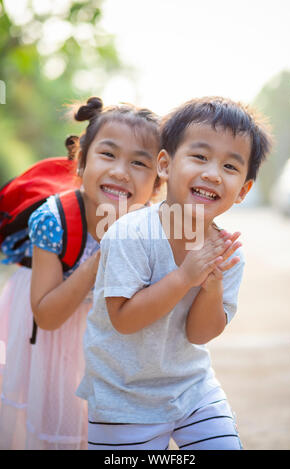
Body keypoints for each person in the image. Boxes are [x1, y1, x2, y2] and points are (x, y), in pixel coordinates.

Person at [77, 96, 272, 450]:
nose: (213, 173)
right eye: (200, 157)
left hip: (192, 389)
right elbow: (123, 319)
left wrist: (211, 287)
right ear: (165, 165)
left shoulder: (225, 253)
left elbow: (199, 335)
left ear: (243, 190)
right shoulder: (129, 233)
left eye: (230, 167)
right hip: (123, 396)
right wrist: (185, 277)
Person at [0, 97, 161, 450]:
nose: (121, 171)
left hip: (104, 328)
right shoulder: (54, 221)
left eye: (139, 162)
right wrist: (104, 256)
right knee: (51, 419)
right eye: (108, 154)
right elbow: (47, 316)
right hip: (46, 320)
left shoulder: (154, 229)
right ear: (81, 162)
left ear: (157, 183)